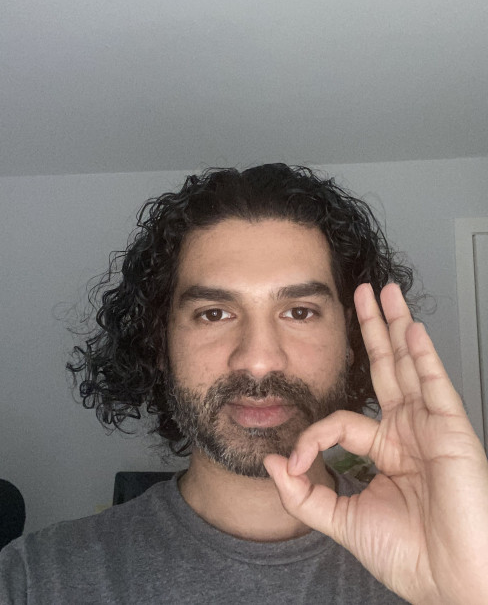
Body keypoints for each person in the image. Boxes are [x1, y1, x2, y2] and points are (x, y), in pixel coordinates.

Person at [1, 164, 487, 604]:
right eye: (214, 313)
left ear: (350, 340)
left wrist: (466, 587)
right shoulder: (32, 578)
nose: (258, 360)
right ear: (160, 342)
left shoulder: (442, 557)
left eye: (300, 312)